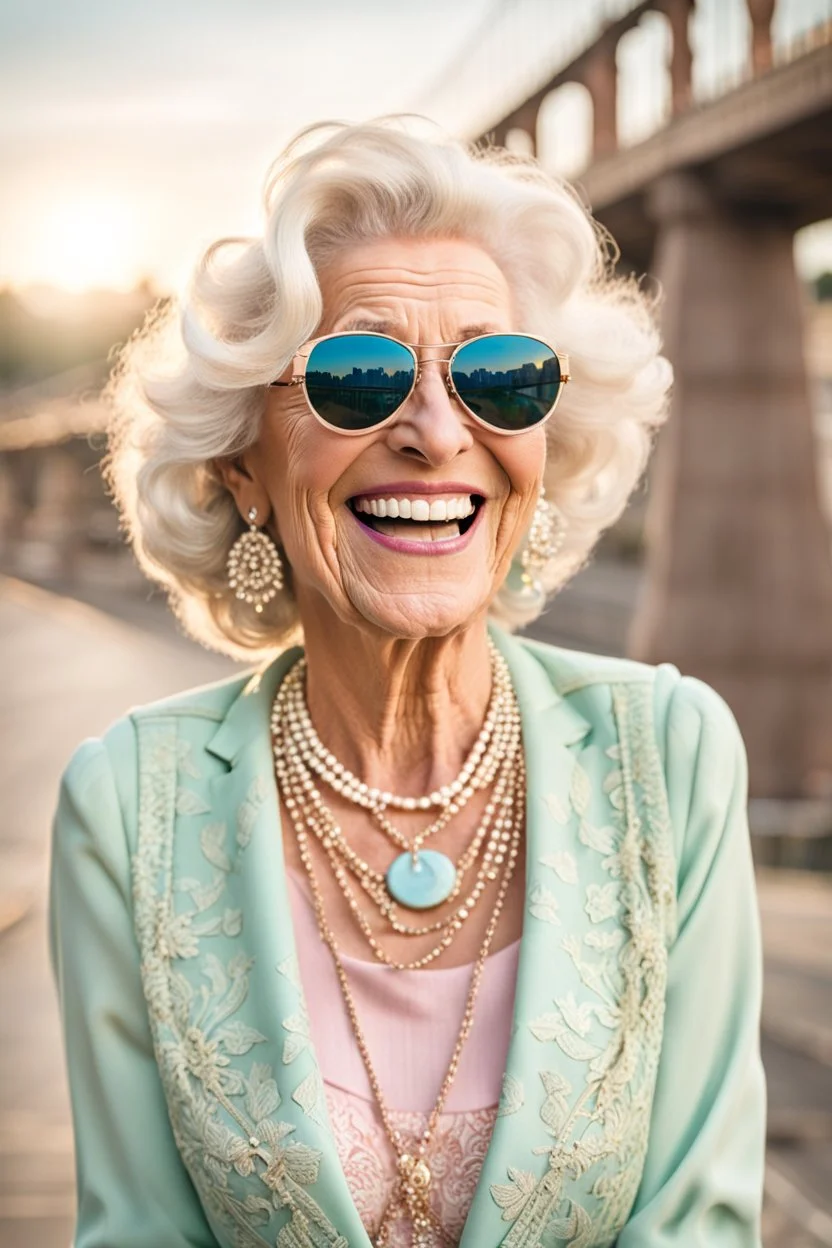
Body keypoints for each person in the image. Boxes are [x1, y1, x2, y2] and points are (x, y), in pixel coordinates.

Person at [49, 118, 766, 1248]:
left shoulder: (670, 757)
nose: (437, 433)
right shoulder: (127, 802)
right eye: (357, 375)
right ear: (245, 468)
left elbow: (699, 1223)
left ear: (543, 439)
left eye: (498, 377)